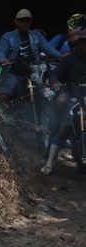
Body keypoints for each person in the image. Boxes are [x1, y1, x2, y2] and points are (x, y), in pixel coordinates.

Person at [41, 30, 86, 175]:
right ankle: (49, 164)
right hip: (73, 95)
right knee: (65, 127)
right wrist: (55, 83)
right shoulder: (69, 58)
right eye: (83, 42)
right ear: (79, 43)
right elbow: (55, 74)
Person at [0, 9, 62, 104]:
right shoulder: (7, 36)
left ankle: (46, 116)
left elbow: (48, 49)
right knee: (3, 96)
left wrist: (60, 56)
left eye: (27, 20)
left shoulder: (37, 35)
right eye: (22, 20)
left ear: (30, 22)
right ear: (16, 21)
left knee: (49, 95)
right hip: (14, 72)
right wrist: (2, 59)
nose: (25, 23)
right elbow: (2, 51)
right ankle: (2, 117)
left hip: (34, 72)